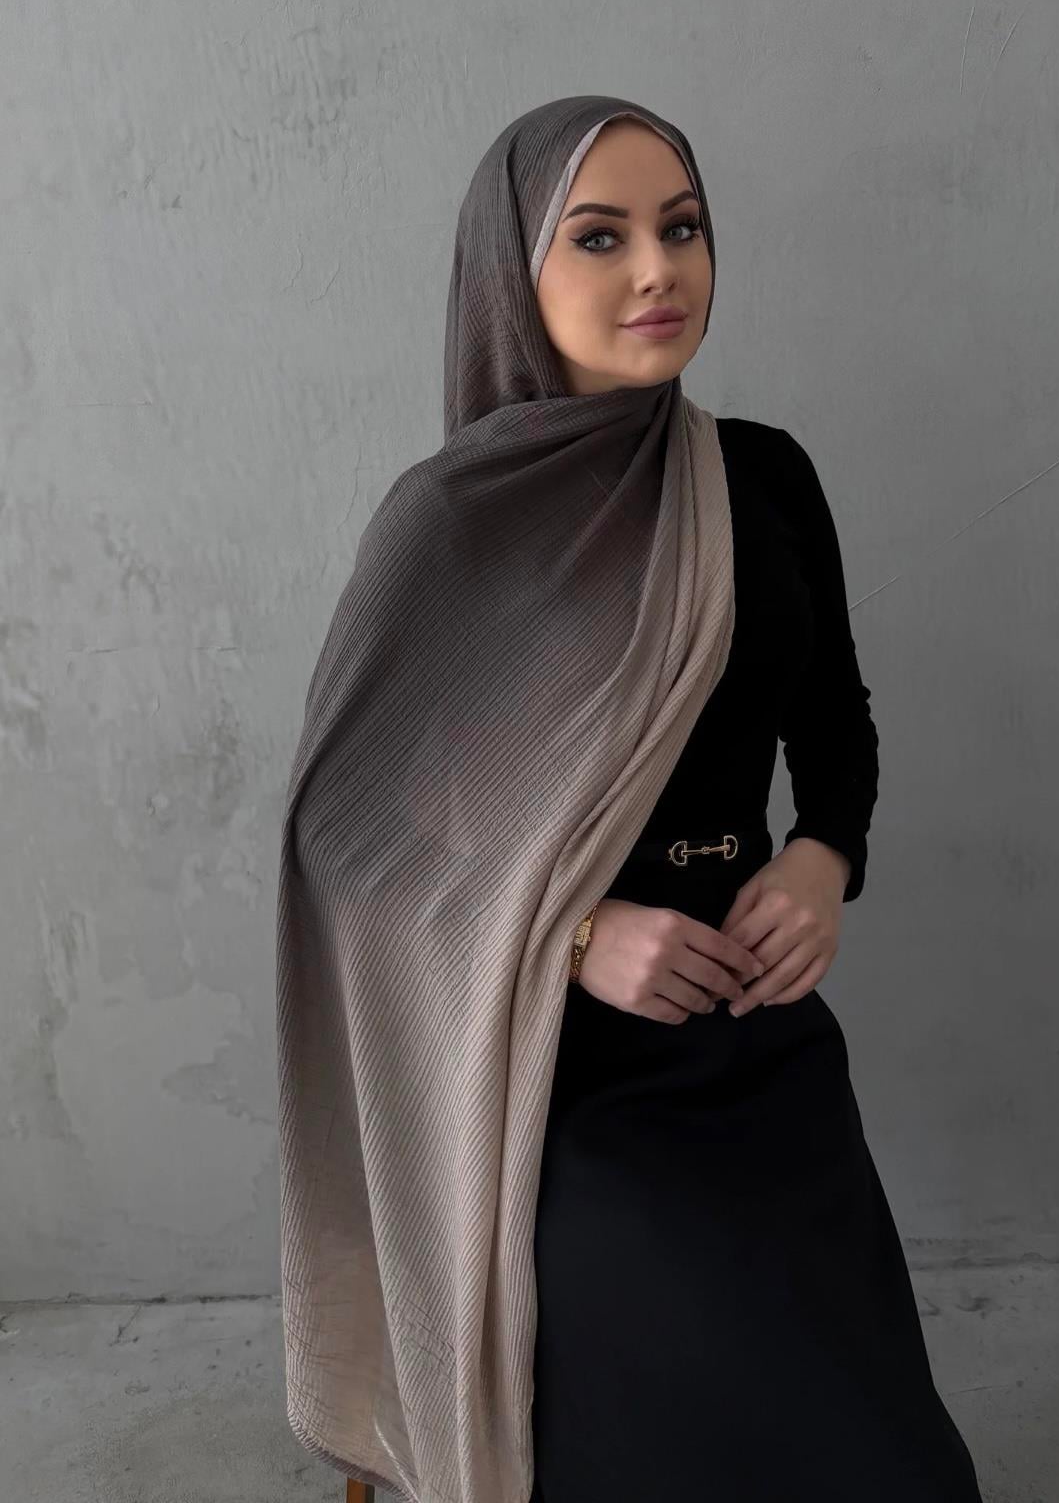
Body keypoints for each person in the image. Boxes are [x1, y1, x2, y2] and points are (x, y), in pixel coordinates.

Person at [276, 95, 985, 1503]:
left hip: (749, 1020)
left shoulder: (759, 476)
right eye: (598, 237)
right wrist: (579, 935)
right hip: (547, 1063)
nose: (658, 269)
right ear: (513, 274)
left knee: (873, 1454)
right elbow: (348, 835)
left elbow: (833, 722)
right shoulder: (452, 522)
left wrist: (822, 857)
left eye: (684, 227)